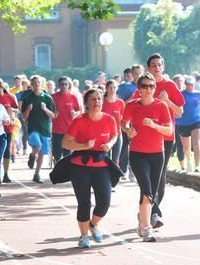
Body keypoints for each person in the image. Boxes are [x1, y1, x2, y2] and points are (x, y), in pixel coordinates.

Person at [61, 89, 118, 248]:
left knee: (104, 202)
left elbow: (115, 135)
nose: (97, 102)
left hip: (101, 165)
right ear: (86, 103)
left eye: (99, 99)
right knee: (84, 202)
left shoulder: (109, 119)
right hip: (80, 165)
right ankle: (84, 235)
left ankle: (93, 224)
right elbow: (65, 143)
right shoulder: (79, 120)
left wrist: (110, 144)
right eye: (93, 99)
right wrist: (83, 145)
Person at [133, 53, 184, 229]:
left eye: (159, 65)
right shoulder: (143, 84)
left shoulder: (169, 85)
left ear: (163, 67)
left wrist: (167, 101)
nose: (156, 68)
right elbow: (133, 106)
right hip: (144, 139)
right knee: (146, 178)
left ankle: (152, 212)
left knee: (160, 176)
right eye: (153, 65)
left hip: (165, 136)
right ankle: (149, 211)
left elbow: (179, 111)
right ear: (148, 68)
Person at [122, 73, 172, 242]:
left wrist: (154, 125)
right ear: (139, 89)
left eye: (152, 86)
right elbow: (124, 122)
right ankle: (146, 228)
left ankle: (142, 222)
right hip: (137, 154)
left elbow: (169, 131)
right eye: (145, 86)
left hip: (157, 155)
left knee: (151, 192)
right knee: (147, 191)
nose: (149, 89)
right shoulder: (131, 106)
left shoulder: (161, 106)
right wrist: (128, 130)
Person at [22, 75, 56, 183]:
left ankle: (36, 174)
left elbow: (53, 115)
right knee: (38, 146)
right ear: (31, 85)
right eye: (34, 83)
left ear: (42, 84)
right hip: (33, 128)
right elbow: (24, 117)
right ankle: (32, 155)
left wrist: (45, 109)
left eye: (38, 82)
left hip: (44, 129)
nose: (37, 84)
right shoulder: (27, 99)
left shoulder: (47, 98)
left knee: (42, 154)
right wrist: (28, 109)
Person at [0, 77, 19, 183]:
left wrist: (12, 110)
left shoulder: (10, 97)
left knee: (6, 151)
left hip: (7, 128)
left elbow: (18, 109)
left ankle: (6, 173)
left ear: (1, 86)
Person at [117, 64, 144, 180]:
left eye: (139, 73)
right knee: (125, 146)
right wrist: (131, 98)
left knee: (139, 146)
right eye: (135, 74)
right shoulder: (125, 87)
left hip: (142, 121)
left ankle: (135, 170)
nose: (138, 76)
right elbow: (119, 102)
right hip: (127, 119)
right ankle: (124, 170)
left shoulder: (147, 86)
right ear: (132, 75)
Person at [176, 76, 200, 172]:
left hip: (196, 120)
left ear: (194, 85)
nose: (189, 86)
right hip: (183, 122)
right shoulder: (180, 94)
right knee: (186, 147)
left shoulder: (199, 94)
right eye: (188, 84)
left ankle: (197, 167)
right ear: (185, 84)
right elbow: (175, 106)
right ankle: (188, 161)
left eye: (191, 84)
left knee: (196, 144)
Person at [52, 76, 81, 163]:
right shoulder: (53, 97)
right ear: (59, 85)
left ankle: (66, 173)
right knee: (57, 153)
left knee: (67, 154)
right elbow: (49, 110)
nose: (64, 86)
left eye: (66, 84)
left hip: (69, 129)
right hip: (57, 129)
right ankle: (57, 170)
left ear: (69, 86)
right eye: (62, 84)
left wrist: (75, 113)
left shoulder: (73, 97)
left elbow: (78, 110)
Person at [102, 80, 125, 165]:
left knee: (115, 160)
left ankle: (115, 177)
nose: (112, 90)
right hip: (104, 134)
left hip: (117, 134)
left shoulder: (120, 103)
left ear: (117, 89)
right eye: (110, 88)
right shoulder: (101, 102)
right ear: (106, 89)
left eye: (114, 87)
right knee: (105, 159)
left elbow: (123, 119)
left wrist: (127, 129)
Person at [173, 74, 185, 170]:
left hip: (186, 122)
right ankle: (182, 165)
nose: (179, 83)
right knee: (178, 143)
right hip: (174, 123)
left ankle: (183, 165)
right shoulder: (172, 94)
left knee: (183, 144)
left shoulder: (186, 93)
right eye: (177, 81)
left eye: (180, 81)